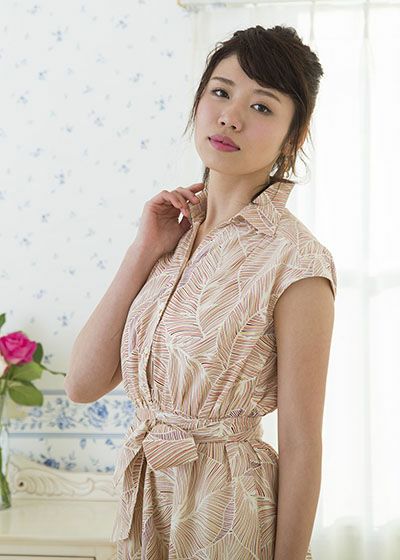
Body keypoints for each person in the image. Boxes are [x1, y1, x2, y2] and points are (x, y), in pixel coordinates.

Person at [65, 25, 337, 560]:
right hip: (146, 509)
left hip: (228, 515)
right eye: (220, 92)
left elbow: (303, 444)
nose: (231, 116)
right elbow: (82, 384)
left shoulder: (296, 261)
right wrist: (143, 250)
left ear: (294, 136)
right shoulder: (171, 236)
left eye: (261, 106)